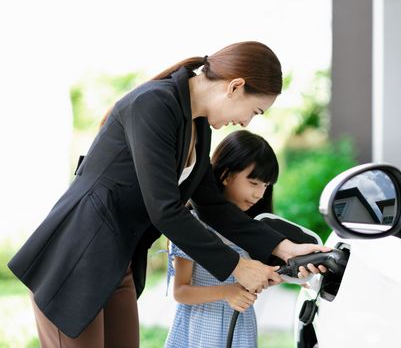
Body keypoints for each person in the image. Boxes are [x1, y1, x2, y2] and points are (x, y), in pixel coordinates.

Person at [8, 41, 329, 347]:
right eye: (255, 111)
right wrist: (238, 267)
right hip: (75, 260)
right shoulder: (153, 105)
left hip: (117, 264)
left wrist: (286, 248)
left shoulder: (198, 126)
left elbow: (213, 206)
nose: (245, 122)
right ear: (235, 86)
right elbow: (165, 209)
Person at [165, 130, 278, 348]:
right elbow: (181, 291)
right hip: (202, 325)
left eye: (266, 186)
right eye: (254, 183)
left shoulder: (254, 227)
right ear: (226, 175)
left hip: (240, 325)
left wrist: (272, 277)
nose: (260, 194)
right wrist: (227, 292)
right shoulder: (193, 225)